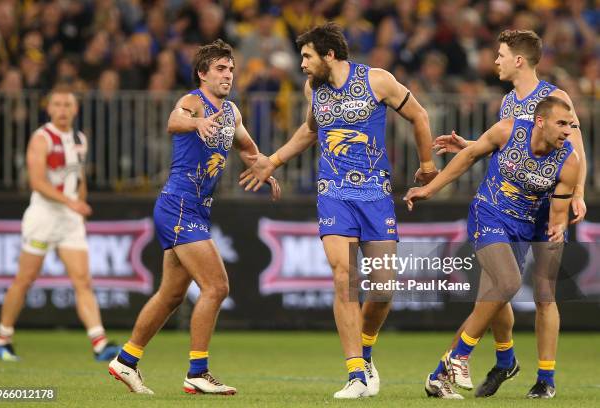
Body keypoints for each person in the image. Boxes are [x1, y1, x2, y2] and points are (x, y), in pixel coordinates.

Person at [239, 23, 437, 399]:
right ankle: (355, 375)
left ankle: (365, 352)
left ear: (329, 55)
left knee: (383, 290)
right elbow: (311, 130)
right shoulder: (314, 89)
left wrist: (427, 167)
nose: (302, 64)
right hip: (334, 193)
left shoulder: (377, 81)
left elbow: (420, 116)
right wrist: (273, 161)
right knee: (342, 275)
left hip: (376, 195)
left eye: (307, 56)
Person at [107, 39, 280, 395]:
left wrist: (265, 167)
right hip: (179, 205)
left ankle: (126, 360)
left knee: (171, 295)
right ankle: (197, 372)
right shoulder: (192, 102)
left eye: (230, 69)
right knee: (217, 287)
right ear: (202, 73)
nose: (228, 75)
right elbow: (175, 120)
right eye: (220, 68)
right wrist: (196, 123)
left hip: (195, 208)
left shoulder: (232, 112)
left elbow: (247, 148)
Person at [432, 29, 587, 398]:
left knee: (545, 294)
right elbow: (507, 146)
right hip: (509, 207)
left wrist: (577, 192)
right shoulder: (506, 103)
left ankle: (545, 379)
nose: (495, 60)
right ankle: (506, 359)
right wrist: (469, 146)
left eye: (500, 54)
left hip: (550, 204)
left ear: (519, 60)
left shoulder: (555, 98)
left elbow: (575, 150)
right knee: (498, 287)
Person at [405, 96, 580, 399]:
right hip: (490, 212)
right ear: (540, 121)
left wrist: (559, 225)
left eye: (571, 125)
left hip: (530, 223)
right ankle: (459, 356)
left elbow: (558, 212)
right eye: (562, 123)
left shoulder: (569, 160)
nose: (568, 131)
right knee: (508, 282)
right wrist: (430, 189)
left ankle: (456, 373)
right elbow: (471, 155)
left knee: (502, 296)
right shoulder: (509, 129)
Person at [0, 87, 120, 362]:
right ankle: (3, 338)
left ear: (75, 109)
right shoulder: (42, 138)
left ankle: (99, 343)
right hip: (44, 216)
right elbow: (36, 182)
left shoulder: (79, 139)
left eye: (68, 105)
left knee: (83, 280)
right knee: (25, 279)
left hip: (70, 219)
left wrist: (80, 203)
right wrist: (71, 202)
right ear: (49, 109)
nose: (62, 110)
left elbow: (79, 176)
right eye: (58, 104)